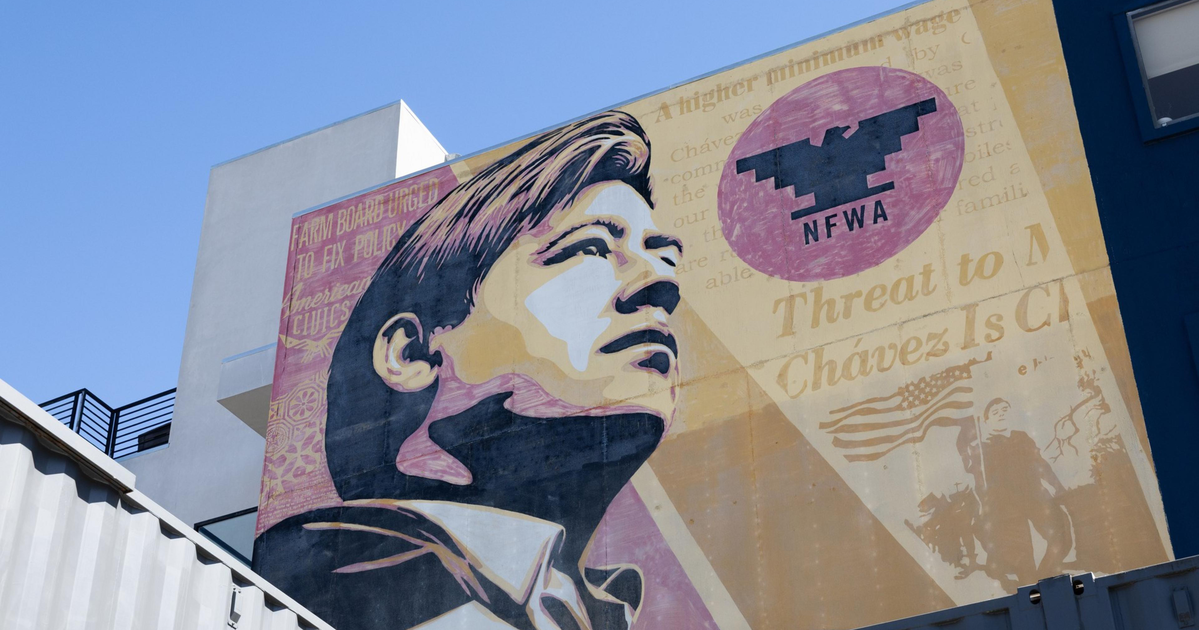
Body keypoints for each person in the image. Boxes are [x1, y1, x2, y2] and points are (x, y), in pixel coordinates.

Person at [254, 111, 684, 630]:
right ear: (412, 353)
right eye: (590, 248)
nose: (661, 283)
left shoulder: (605, 610)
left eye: (665, 258)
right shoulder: (331, 573)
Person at [973, 398, 1073, 590]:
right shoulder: (982, 448)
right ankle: (1029, 588)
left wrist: (1058, 487)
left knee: (1060, 534)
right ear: (986, 421)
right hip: (1006, 505)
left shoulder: (1022, 437)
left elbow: (1040, 464)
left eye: (1004, 410)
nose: (1001, 414)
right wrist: (987, 505)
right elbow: (980, 483)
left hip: (1035, 496)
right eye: (995, 412)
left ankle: (1044, 577)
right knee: (1021, 556)